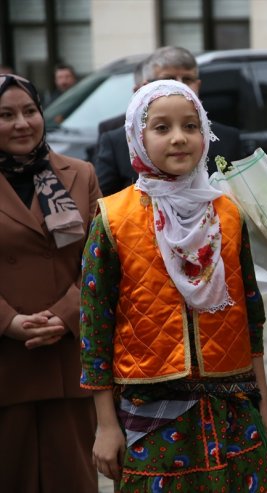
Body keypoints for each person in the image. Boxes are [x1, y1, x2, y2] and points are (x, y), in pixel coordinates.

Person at [80, 79, 267, 491]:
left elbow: (251, 317)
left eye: (191, 126)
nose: (179, 138)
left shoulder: (227, 214)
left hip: (233, 412)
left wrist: (265, 407)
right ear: (137, 136)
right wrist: (105, 425)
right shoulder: (114, 219)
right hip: (152, 415)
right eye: (161, 127)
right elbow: (95, 326)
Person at [0, 73, 100, 492]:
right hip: (6, 358)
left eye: (30, 111)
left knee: (72, 477)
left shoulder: (79, 173)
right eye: (5, 115)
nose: (22, 123)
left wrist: (64, 315)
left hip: (67, 356)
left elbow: (100, 260)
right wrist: (10, 322)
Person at [94, 46, 243, 195]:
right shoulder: (117, 142)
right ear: (145, 87)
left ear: (198, 85)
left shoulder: (227, 138)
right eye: (168, 79)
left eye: (187, 79)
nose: (180, 85)